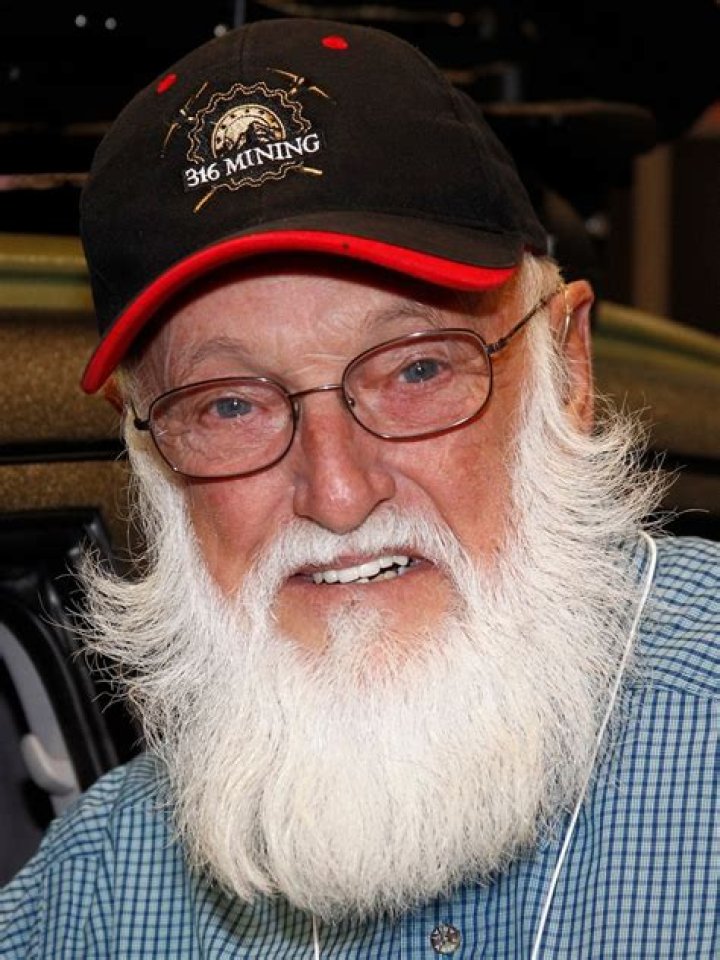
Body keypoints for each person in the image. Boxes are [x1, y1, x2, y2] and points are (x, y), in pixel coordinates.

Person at [1, 17, 717, 960]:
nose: (337, 493)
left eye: (417, 370)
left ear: (568, 371)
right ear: (149, 453)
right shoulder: (94, 892)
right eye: (229, 405)